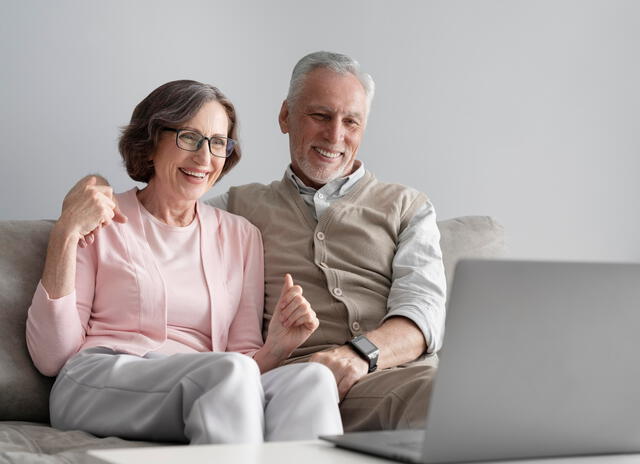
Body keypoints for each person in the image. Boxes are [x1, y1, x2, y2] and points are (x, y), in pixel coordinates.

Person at [25, 80, 343, 444]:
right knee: (227, 373)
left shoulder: (241, 235)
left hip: (206, 384)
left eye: (218, 143)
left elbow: (242, 362)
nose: (205, 158)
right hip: (100, 379)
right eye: (190, 138)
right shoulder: (102, 218)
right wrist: (66, 232)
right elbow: (52, 356)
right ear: (151, 142)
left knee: (312, 380)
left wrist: (277, 348)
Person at [206, 51, 447, 432]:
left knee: (459, 394)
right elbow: (163, 219)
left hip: (394, 376)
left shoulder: (408, 207)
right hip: (296, 385)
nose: (335, 135)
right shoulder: (236, 207)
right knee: (446, 399)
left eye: (351, 121)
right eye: (320, 116)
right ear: (285, 116)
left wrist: (359, 354)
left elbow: (424, 314)